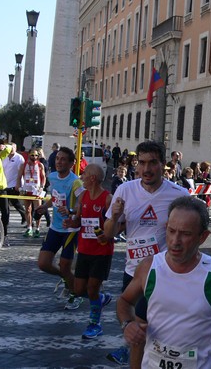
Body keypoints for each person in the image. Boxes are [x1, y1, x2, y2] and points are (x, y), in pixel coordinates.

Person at [117, 196, 211, 369]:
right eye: (171, 231)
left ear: (202, 237)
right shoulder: (149, 267)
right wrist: (127, 324)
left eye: (186, 234)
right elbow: (124, 301)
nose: (175, 241)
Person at [104, 140, 190, 366]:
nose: (146, 169)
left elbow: (192, 234)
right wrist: (114, 216)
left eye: (153, 162)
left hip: (164, 273)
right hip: (133, 271)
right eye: (141, 163)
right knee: (138, 329)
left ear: (164, 164)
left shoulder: (179, 195)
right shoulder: (125, 190)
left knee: (143, 327)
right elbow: (107, 234)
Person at [61, 164, 114, 339]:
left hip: (102, 252)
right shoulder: (83, 196)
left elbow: (117, 225)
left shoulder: (108, 199)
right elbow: (78, 220)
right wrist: (71, 223)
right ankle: (100, 298)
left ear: (92, 178)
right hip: (84, 249)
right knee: (78, 288)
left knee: (91, 289)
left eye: (84, 174)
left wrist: (106, 235)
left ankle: (94, 324)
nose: (81, 177)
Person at [35, 146, 85, 309]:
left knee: (65, 265)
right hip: (55, 228)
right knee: (43, 263)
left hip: (70, 230)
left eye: (63, 159)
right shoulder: (53, 177)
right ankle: (67, 278)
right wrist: (45, 206)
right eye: (57, 158)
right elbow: (55, 197)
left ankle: (76, 295)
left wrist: (71, 211)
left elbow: (84, 205)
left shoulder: (75, 182)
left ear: (71, 163)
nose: (59, 162)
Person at [18, 148, 46, 238]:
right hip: (26, 189)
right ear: (29, 155)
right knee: (27, 210)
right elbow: (19, 177)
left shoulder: (40, 165)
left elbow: (43, 177)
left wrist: (42, 187)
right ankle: (29, 227)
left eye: (36, 155)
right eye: (32, 155)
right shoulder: (23, 165)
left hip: (36, 190)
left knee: (38, 210)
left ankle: (37, 229)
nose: (34, 157)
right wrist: (19, 187)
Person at [2, 143, 27, 226]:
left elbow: (21, 172)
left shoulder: (19, 158)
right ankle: (5, 222)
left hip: (14, 184)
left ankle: (24, 216)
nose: (12, 149)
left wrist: (19, 184)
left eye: (14, 147)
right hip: (4, 184)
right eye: (10, 147)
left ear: (16, 148)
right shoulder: (4, 157)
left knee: (15, 202)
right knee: (5, 206)